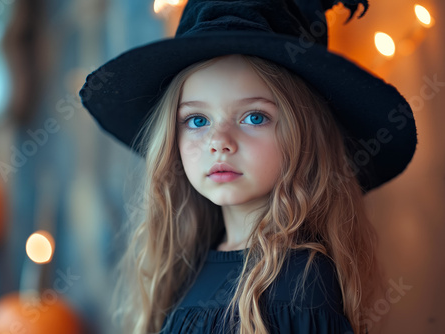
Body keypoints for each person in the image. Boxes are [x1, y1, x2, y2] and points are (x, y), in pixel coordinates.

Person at [79, 1, 417, 333]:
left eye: (254, 117)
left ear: (306, 137)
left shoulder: (296, 288)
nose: (219, 141)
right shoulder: (187, 267)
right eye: (197, 120)